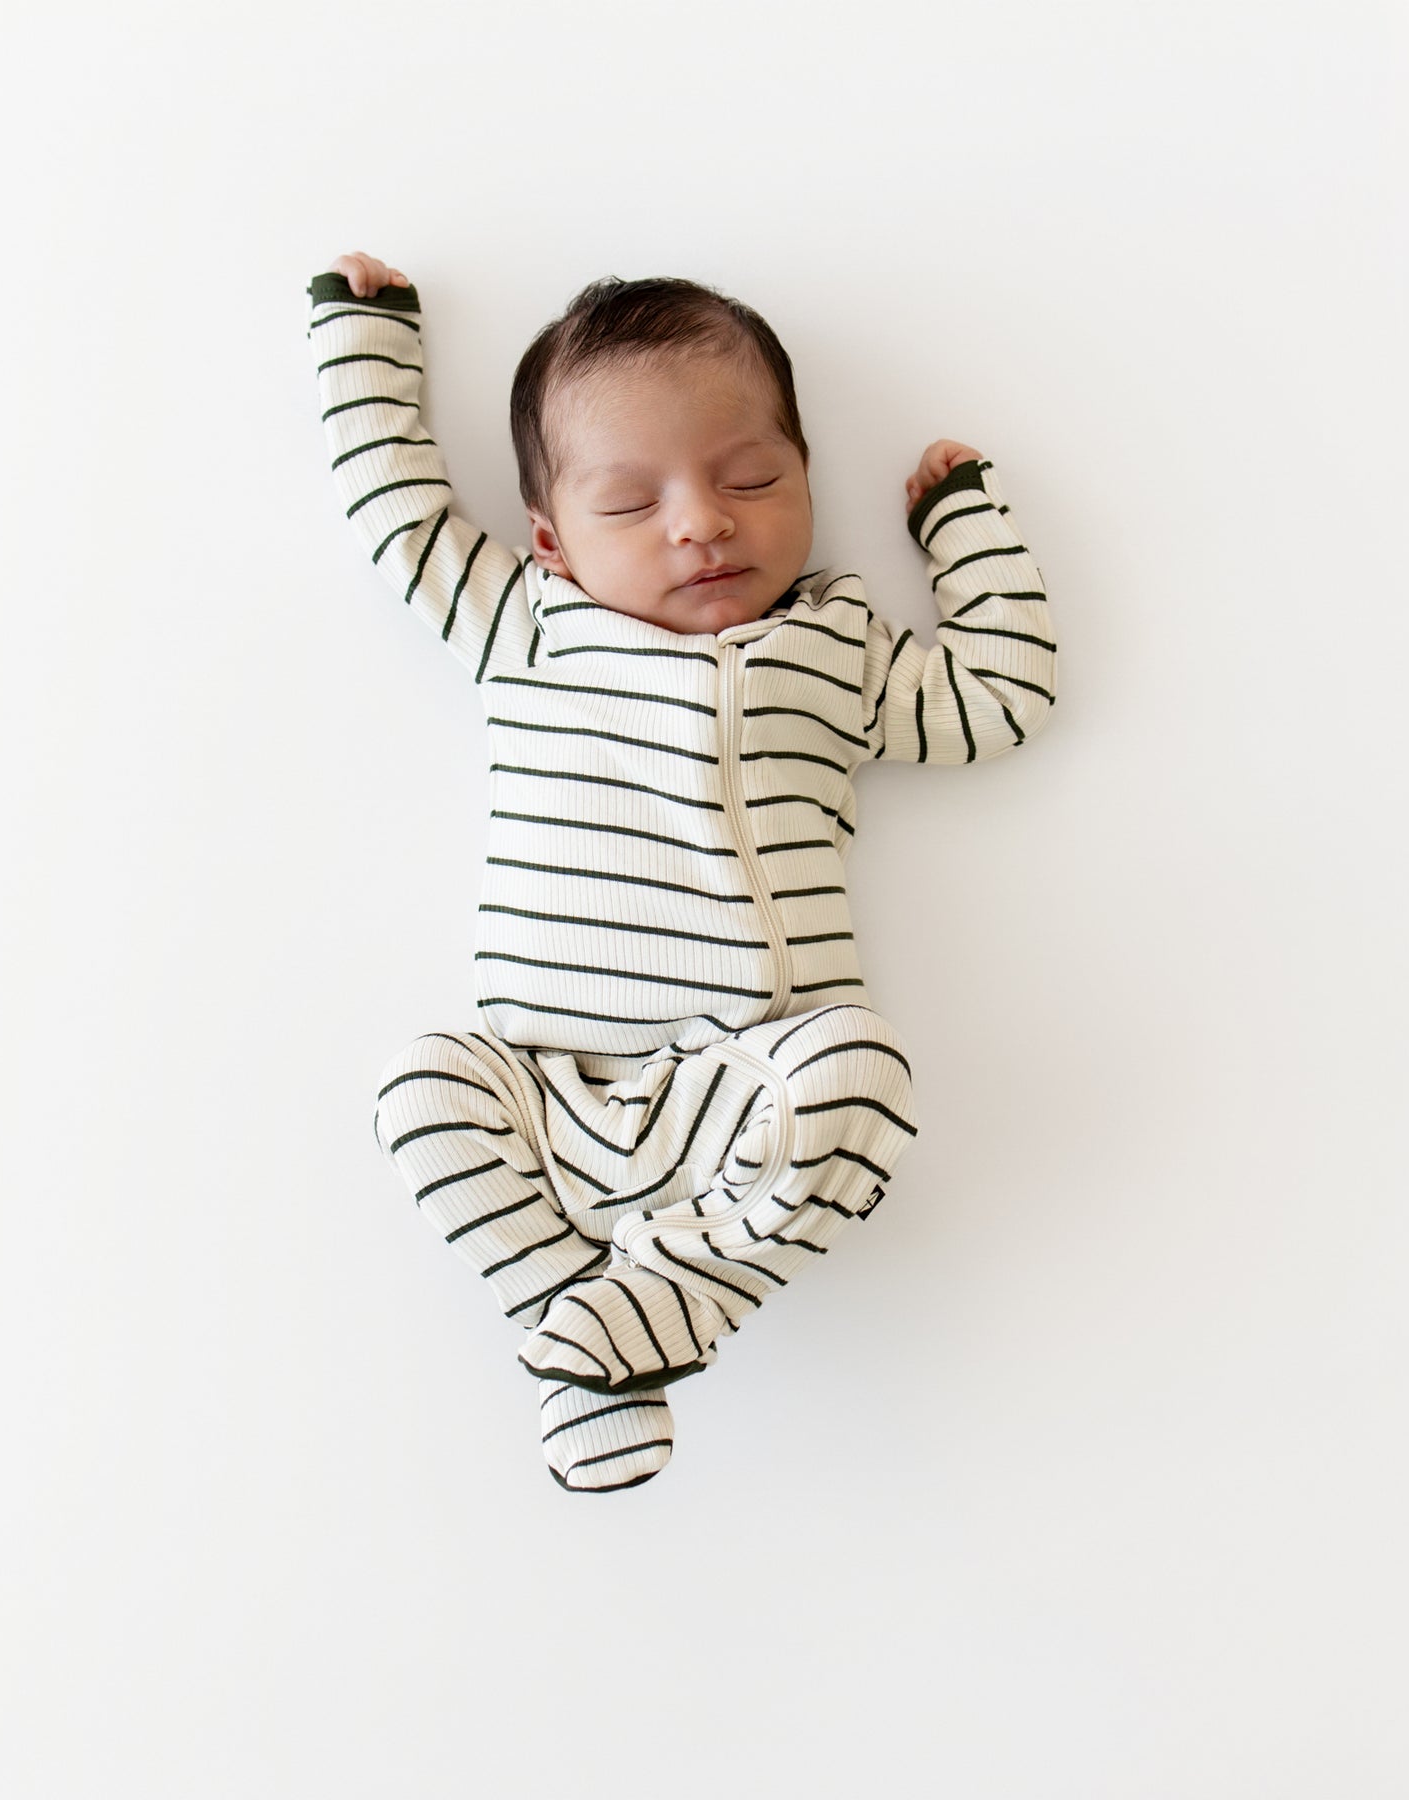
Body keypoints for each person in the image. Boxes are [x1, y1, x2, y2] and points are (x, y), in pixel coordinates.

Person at [307, 249, 1058, 1491]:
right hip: (548, 1097)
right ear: (549, 542)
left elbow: (1001, 698)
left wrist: (964, 527)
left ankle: (676, 1304)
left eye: (751, 477)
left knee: (864, 1068)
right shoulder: (531, 628)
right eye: (629, 505)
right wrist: (367, 347)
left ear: (805, 478)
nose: (702, 521)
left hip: (741, 1096)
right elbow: (399, 519)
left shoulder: (840, 651)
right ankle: (576, 1322)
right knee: (419, 1087)